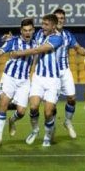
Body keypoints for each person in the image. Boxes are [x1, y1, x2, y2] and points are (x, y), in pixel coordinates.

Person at [11, 14, 64, 147]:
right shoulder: (40, 33)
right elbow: (26, 36)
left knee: (48, 112)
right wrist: (11, 39)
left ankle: (47, 135)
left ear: (53, 26)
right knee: (33, 107)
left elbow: (37, 49)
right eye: (42, 24)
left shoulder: (58, 38)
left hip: (53, 80)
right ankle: (35, 130)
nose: (43, 26)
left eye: (46, 24)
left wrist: (19, 53)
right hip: (38, 78)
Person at [0, 18, 35, 148]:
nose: (27, 33)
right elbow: (0, 51)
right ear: (21, 31)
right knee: (3, 104)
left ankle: (12, 120)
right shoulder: (13, 41)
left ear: (33, 31)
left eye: (30, 30)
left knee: (21, 112)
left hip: (24, 81)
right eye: (25, 30)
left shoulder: (36, 43)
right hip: (9, 77)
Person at [46, 8, 85, 139]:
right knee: (51, 105)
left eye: (62, 18)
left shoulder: (68, 35)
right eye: (57, 18)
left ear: (64, 20)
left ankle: (68, 121)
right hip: (50, 73)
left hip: (64, 71)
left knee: (72, 98)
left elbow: (77, 47)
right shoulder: (45, 34)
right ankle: (51, 128)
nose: (60, 20)